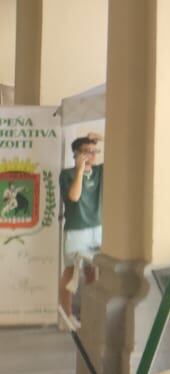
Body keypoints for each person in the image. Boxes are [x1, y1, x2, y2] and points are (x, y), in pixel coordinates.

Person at [59, 132, 103, 322]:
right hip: (76, 230)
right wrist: (79, 170)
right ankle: (66, 316)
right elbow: (74, 197)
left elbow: (123, 153)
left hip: (96, 229)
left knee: (92, 272)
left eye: (94, 152)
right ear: (76, 154)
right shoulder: (67, 174)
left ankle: (89, 316)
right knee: (71, 272)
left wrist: (103, 138)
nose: (91, 156)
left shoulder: (100, 171)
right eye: (86, 152)